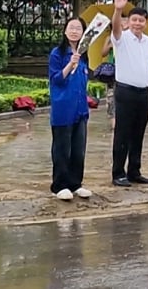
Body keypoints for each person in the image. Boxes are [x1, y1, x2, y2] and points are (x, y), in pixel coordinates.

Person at [108, 0, 148, 187]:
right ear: (128, 21)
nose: (138, 23)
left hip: (142, 93)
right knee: (122, 133)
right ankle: (118, 173)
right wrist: (117, 10)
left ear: (146, 23)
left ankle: (134, 171)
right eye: (134, 20)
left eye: (141, 20)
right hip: (125, 91)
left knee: (139, 133)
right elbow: (115, 29)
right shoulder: (121, 38)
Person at [47, 17, 93, 200]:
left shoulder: (84, 55)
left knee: (78, 149)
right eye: (71, 28)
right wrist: (70, 65)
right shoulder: (57, 53)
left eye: (78, 28)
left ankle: (76, 183)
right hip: (63, 109)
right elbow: (56, 79)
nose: (74, 31)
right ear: (65, 31)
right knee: (62, 148)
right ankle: (59, 185)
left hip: (80, 109)